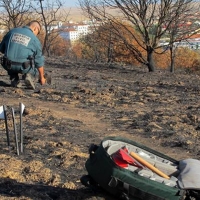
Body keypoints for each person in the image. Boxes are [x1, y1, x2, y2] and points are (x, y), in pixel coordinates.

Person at [0, 20, 46, 89]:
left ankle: (14, 78)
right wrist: (42, 77)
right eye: (37, 32)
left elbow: (2, 49)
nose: (36, 34)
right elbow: (39, 61)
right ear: (35, 28)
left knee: (9, 58)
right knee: (33, 63)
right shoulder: (34, 39)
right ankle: (29, 76)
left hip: (8, 65)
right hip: (24, 67)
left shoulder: (11, 32)